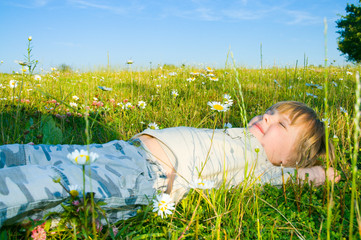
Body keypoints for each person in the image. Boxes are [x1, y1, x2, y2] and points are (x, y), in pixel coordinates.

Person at [0, 101, 339, 227]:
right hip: (119, 151)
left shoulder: (265, 166)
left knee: (46, 179)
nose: (268, 116)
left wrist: (319, 171)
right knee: (33, 154)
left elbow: (303, 176)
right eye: (271, 111)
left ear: (288, 160)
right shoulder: (237, 133)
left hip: (140, 177)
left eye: (281, 124)